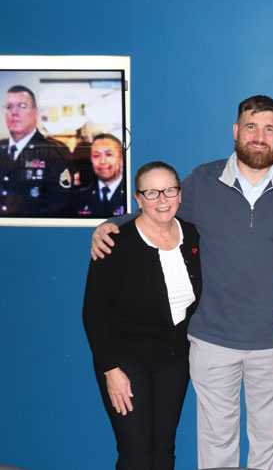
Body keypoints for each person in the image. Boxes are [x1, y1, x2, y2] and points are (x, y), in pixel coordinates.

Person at [91, 95, 273, 470]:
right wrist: (111, 225)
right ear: (236, 131)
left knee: (268, 445)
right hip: (212, 340)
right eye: (250, 126)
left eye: (268, 129)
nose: (259, 136)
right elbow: (158, 209)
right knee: (216, 445)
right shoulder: (202, 180)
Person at [83, 161, 201, 469]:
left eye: (169, 190)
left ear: (180, 194)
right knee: (136, 452)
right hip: (125, 362)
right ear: (138, 199)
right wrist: (111, 370)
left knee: (164, 448)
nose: (162, 199)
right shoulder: (115, 242)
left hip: (174, 360)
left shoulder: (192, 236)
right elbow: (93, 313)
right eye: (151, 192)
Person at [0, 84, 73, 215]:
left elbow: (60, 205)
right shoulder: (1, 148)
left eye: (22, 106)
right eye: (9, 107)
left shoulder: (54, 151)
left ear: (35, 112)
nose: (14, 113)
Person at [76, 133, 126, 216]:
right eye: (96, 156)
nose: (102, 161)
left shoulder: (130, 193)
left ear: (121, 159)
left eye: (109, 154)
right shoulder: (79, 197)